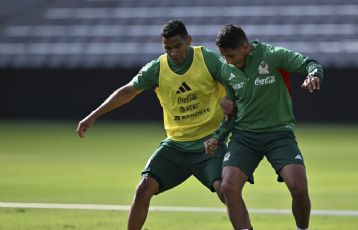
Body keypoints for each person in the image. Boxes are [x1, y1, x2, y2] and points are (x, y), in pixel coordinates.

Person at [76, 20, 232, 230]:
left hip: (209, 143)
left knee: (227, 191)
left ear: (189, 40)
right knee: (143, 189)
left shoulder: (207, 59)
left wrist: (230, 103)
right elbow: (127, 92)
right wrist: (93, 116)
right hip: (176, 145)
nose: (174, 53)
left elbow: (234, 82)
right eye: (168, 48)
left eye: (178, 46)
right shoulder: (158, 68)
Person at [204, 24, 324, 230]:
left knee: (298, 187)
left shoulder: (272, 55)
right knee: (228, 188)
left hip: (279, 134)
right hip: (244, 137)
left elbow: (310, 63)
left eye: (230, 55)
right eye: (223, 56)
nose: (227, 61)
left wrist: (313, 75)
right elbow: (231, 111)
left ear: (244, 47)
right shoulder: (227, 70)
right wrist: (218, 137)